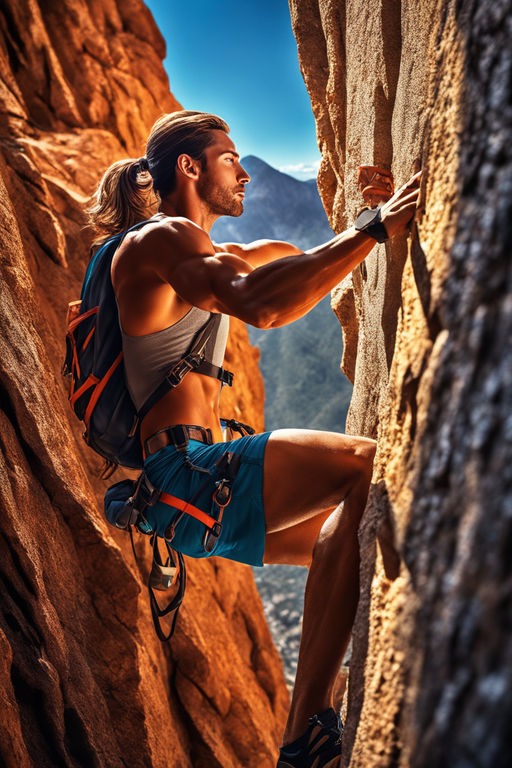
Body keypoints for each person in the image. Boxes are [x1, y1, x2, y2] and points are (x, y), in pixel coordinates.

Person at [87, 110, 421, 768]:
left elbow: (287, 265)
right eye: (229, 157)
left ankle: (311, 727)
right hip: (189, 475)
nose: (243, 171)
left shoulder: (200, 253)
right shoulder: (161, 241)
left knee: (357, 530)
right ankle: (303, 733)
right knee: (368, 468)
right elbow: (262, 303)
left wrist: (363, 216)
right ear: (190, 167)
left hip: (180, 501)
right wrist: (372, 231)